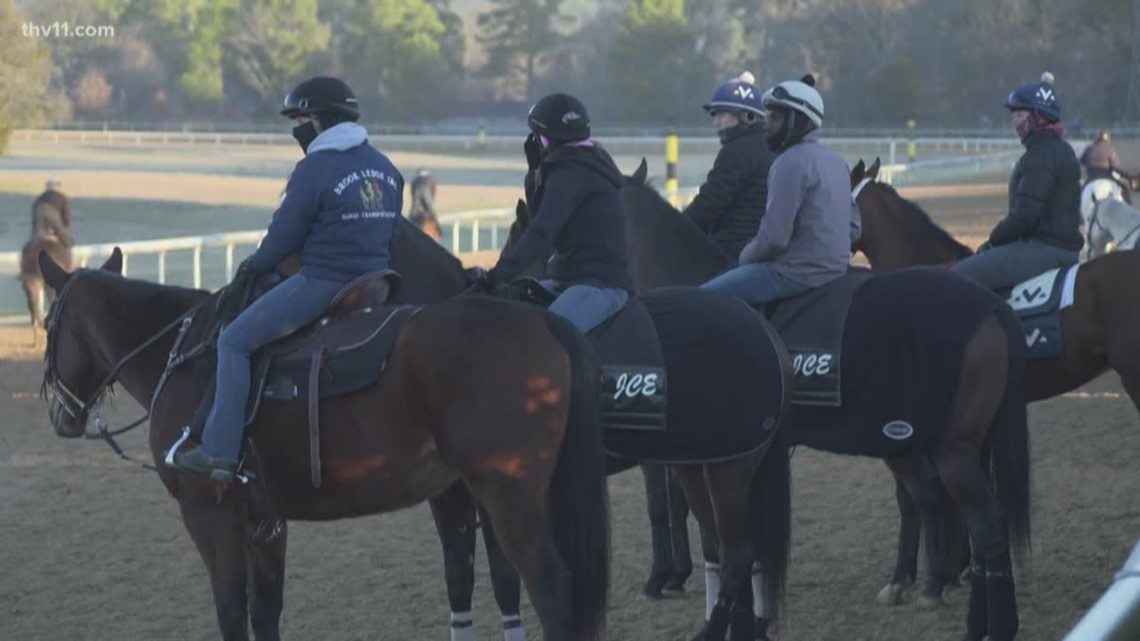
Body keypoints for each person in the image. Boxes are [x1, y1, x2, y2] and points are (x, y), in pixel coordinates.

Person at [173, 76, 405, 481]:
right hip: (378, 282)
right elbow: (393, 233)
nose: (296, 128)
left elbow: (283, 238)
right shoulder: (387, 168)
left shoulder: (314, 169)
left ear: (318, 122)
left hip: (325, 283)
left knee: (233, 341)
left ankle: (220, 452)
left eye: (300, 119)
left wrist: (255, 264)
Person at [472, 92, 631, 335]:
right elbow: (541, 219)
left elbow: (541, 231)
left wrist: (497, 275)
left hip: (600, 286)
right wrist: (535, 171)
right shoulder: (585, 161)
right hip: (569, 280)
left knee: (541, 339)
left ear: (544, 140)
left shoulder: (571, 171)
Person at [699, 74, 860, 306]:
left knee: (700, 300)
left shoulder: (789, 162)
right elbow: (854, 229)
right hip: (836, 270)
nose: (767, 124)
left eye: (775, 118)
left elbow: (774, 239)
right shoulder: (837, 161)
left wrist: (744, 258)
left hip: (793, 275)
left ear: (797, 121)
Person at [951, 72, 1082, 292]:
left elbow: (1024, 217)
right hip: (1059, 247)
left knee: (959, 276)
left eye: (1019, 114)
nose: (1015, 121)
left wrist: (993, 242)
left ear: (1038, 117)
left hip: (1046, 250)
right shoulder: (1056, 149)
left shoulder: (1041, 155)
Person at [683, 72, 777, 262]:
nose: (715, 122)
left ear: (747, 117)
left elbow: (708, 206)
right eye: (714, 115)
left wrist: (675, 227)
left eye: (722, 114)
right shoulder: (772, 146)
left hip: (733, 252)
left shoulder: (736, 152)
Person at [1080, 129, 1132, 203]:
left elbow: (1082, 161)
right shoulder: (1110, 150)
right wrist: (1128, 177)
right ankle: (1128, 205)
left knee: (1081, 192)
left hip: (1091, 177)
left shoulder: (1089, 149)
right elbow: (1115, 168)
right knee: (1124, 188)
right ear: (1108, 139)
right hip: (1107, 176)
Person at [31, 176, 73, 247]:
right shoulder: (62, 197)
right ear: (58, 186)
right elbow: (66, 218)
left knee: (35, 239)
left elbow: (35, 220)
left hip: (39, 215)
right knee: (67, 241)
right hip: (52, 215)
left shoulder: (39, 198)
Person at [409, 168, 442, 240]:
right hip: (428, 196)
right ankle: (439, 230)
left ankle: (407, 229)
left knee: (413, 212)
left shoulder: (415, 180)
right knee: (432, 211)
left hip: (417, 196)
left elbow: (412, 193)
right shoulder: (430, 179)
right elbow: (433, 192)